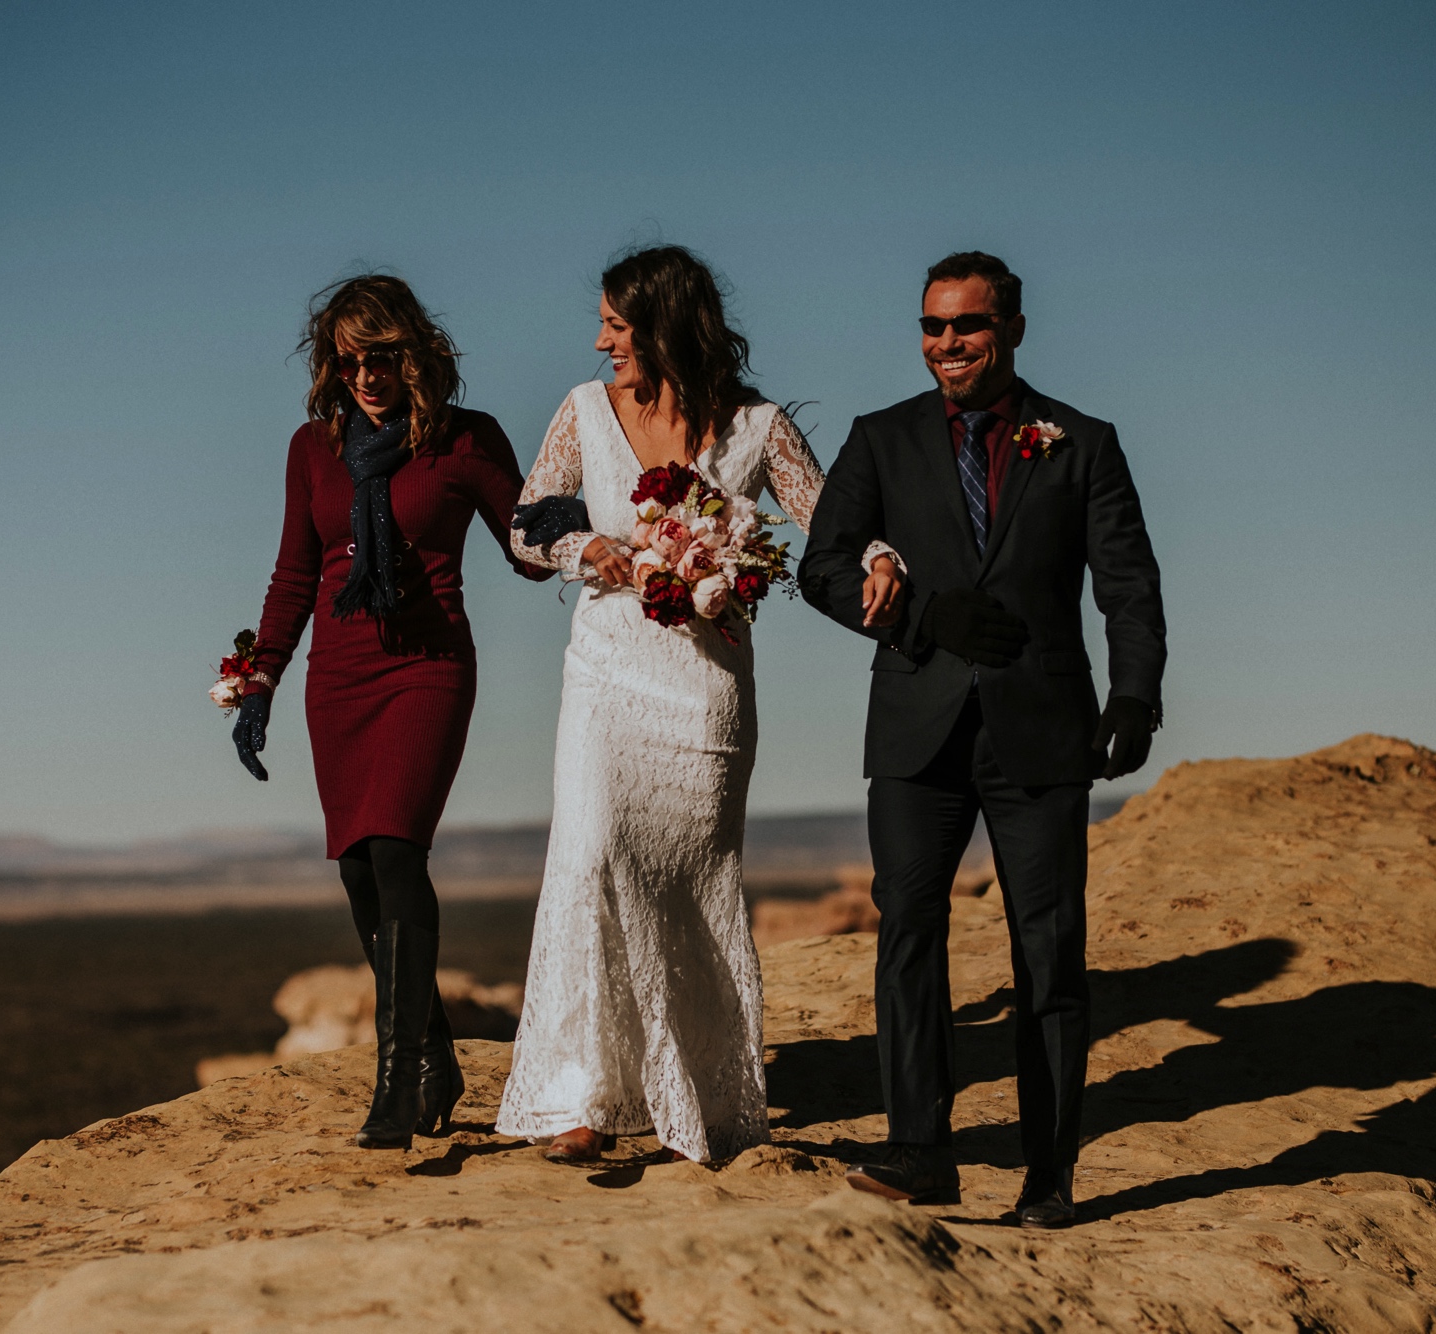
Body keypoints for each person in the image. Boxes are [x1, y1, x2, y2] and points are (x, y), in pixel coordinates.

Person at [497, 245, 906, 1165]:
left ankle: (693, 1089)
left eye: (617, 323)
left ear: (666, 324)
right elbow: (527, 521)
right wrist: (584, 549)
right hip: (605, 671)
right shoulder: (584, 410)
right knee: (594, 854)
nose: (602, 339)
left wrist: (881, 552)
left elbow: (827, 512)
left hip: (707, 690)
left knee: (689, 879)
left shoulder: (755, 427)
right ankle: (580, 1098)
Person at [798, 251, 1166, 1226]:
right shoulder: (880, 440)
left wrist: (1133, 695)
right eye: (930, 326)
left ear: (1008, 329)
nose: (945, 344)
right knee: (907, 933)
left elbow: (1126, 581)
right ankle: (920, 1147)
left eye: (964, 325)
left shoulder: (1079, 442)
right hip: (914, 727)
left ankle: (1047, 1176)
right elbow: (822, 565)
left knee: (1048, 953)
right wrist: (917, 620)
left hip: (1039, 728)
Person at [232, 274, 553, 1149]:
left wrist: (563, 524)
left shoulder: (462, 438)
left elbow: (525, 547)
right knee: (358, 872)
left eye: (382, 357)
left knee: (397, 850)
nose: (366, 376)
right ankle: (437, 1063)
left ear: (414, 353)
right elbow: (297, 572)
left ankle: (397, 1084)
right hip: (338, 678)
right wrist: (260, 679)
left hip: (428, 667)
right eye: (349, 361)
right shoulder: (313, 447)